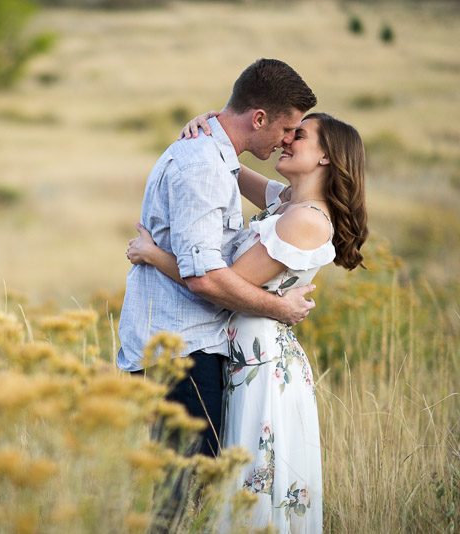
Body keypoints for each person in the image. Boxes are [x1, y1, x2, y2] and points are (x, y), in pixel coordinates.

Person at [127, 110, 368, 533]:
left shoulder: (304, 220)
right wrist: (209, 127)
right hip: (243, 350)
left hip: (261, 362)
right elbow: (230, 165)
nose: (287, 140)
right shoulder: (289, 202)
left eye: (300, 135)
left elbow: (223, 282)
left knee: (251, 480)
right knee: (228, 473)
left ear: (326, 157)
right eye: (289, 131)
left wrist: (152, 255)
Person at [118, 58, 318, 461]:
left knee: (188, 487)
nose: (286, 140)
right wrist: (280, 308)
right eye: (284, 129)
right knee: (184, 492)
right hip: (180, 353)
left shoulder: (217, 160)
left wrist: (215, 126)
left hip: (190, 347)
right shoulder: (204, 167)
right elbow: (204, 279)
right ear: (259, 118)